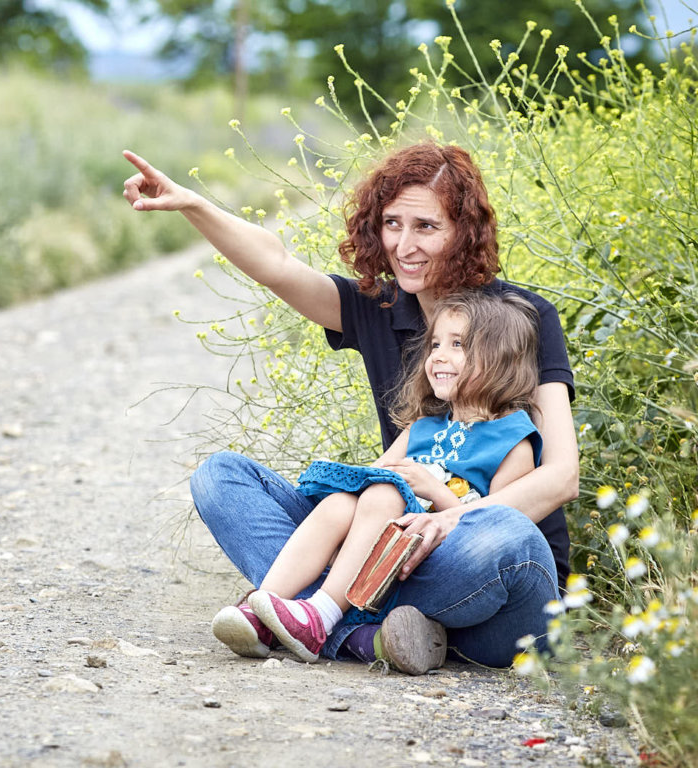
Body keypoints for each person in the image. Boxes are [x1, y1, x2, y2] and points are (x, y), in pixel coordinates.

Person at [122, 142, 579, 671]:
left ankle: (325, 617)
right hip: (389, 544)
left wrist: (452, 522)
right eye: (391, 224)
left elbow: (561, 476)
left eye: (425, 227)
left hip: (481, 566)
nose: (404, 245)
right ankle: (361, 629)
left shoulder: (522, 318)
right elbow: (276, 265)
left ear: (464, 231)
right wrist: (193, 205)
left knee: (503, 538)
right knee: (219, 477)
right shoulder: (378, 307)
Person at [228, 290, 543, 673]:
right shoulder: (422, 428)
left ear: (502, 358)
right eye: (435, 344)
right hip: (379, 554)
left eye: (457, 345)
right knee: (344, 500)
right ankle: (265, 609)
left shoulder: (514, 439)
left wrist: (433, 490)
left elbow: (496, 525)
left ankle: (322, 614)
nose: (438, 356)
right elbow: (374, 478)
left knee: (386, 492)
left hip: (439, 561)